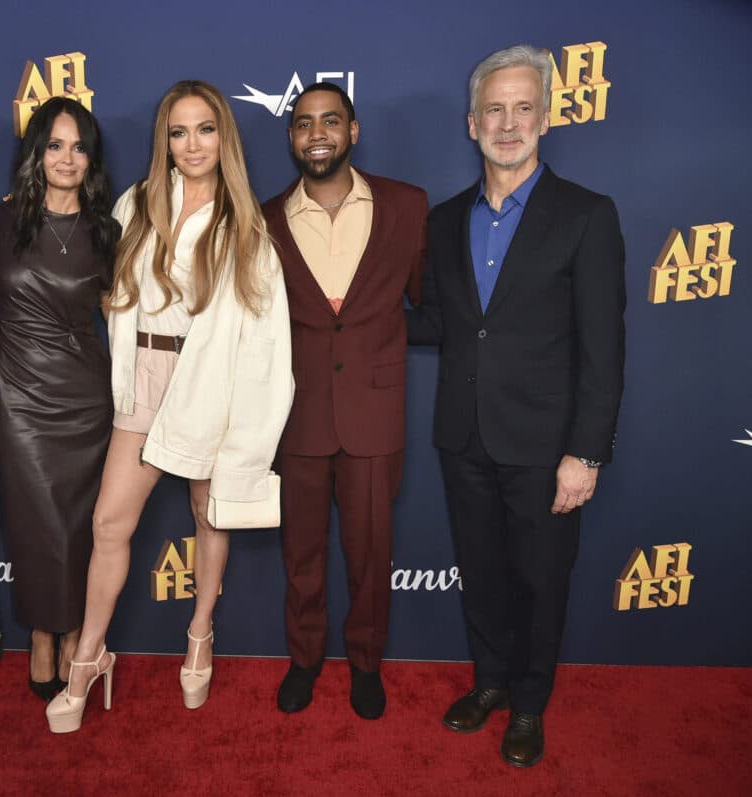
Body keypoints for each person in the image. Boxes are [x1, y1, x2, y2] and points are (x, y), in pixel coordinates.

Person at [45, 79, 293, 733]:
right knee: (108, 524)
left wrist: (250, 427)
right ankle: (90, 656)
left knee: (209, 515)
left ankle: (200, 635)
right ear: (165, 141)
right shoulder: (136, 203)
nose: (192, 144)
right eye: (178, 132)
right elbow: (78, 245)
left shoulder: (246, 226)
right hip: (144, 378)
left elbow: (268, 341)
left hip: (211, 383)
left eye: (205, 129)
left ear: (224, 136)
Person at [407, 45, 626, 766]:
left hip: (546, 444)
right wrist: (350, 315)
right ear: (472, 123)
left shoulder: (587, 215)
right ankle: (491, 682)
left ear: (546, 118)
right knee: (482, 573)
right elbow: (440, 322)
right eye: (494, 110)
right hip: (463, 435)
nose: (508, 124)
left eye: (523, 108)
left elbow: (604, 348)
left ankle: (529, 703)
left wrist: (585, 453)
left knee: (540, 580)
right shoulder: (444, 221)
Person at [261, 82, 428, 720]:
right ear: (291, 137)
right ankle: (304, 659)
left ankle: (365, 663)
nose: (318, 134)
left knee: (370, 555)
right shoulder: (265, 219)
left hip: (373, 413)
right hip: (296, 414)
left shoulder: (407, 206)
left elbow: (431, 303)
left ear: (353, 131)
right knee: (301, 556)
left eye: (331, 121)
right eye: (304, 124)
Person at [0, 98, 119, 700]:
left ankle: (76, 636)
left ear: (91, 159)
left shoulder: (108, 231)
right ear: (36, 153)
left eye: (78, 147)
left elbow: (119, 314)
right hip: (18, 397)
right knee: (35, 523)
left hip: (85, 398)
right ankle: (42, 632)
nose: (66, 158)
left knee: (82, 525)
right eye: (55, 145)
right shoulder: (5, 219)